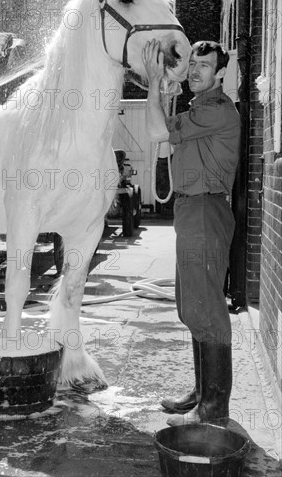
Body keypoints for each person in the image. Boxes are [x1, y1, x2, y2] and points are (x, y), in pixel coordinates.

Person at [143, 40, 240, 426]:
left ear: (219, 74)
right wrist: (167, 95)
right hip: (190, 209)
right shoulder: (197, 110)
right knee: (191, 306)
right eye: (194, 63)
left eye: (205, 65)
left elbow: (154, 134)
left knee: (208, 310)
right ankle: (202, 394)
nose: (196, 70)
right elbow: (166, 147)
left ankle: (213, 410)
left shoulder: (217, 110)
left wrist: (153, 82)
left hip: (204, 210)